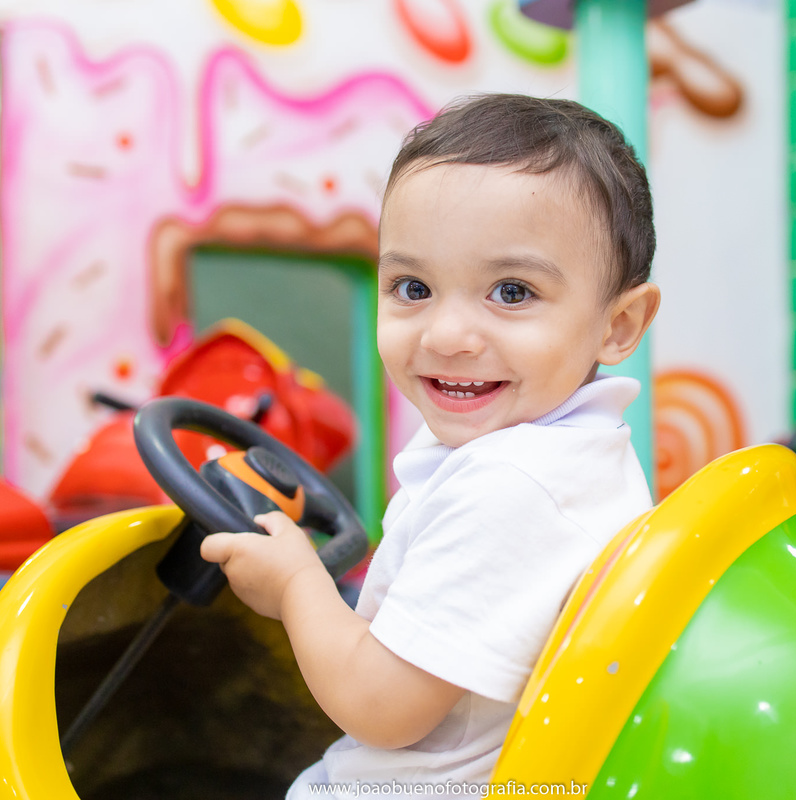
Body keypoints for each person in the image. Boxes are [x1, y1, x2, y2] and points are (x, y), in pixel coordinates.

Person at [199, 93, 661, 799]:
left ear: (619, 325)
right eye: (412, 286)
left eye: (511, 291)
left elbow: (381, 711)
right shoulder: (578, 453)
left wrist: (297, 585)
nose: (446, 336)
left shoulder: (512, 485)